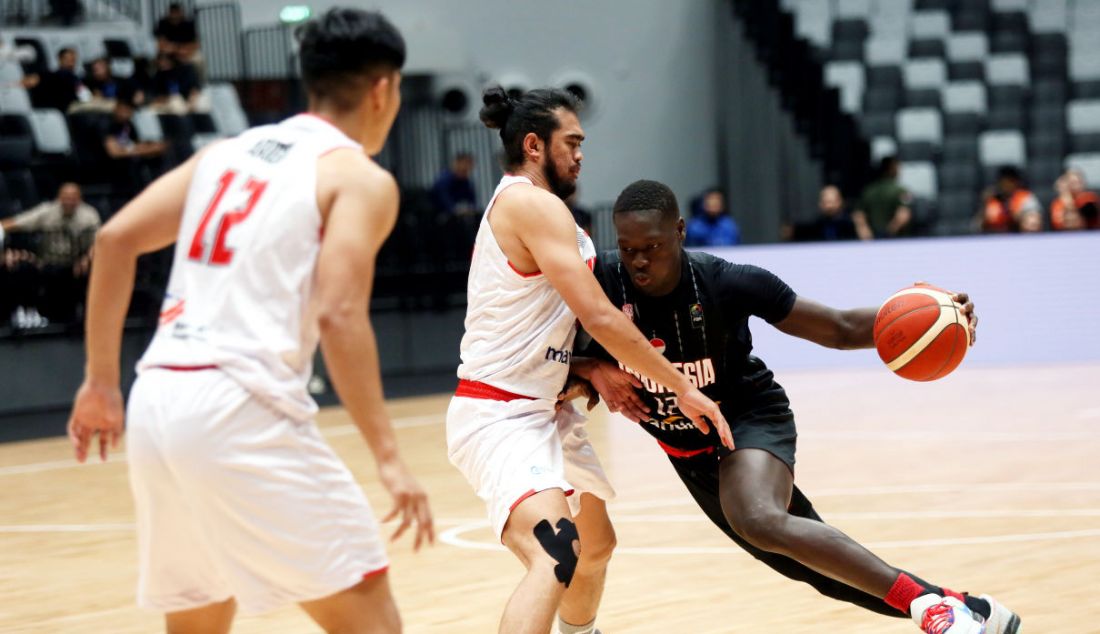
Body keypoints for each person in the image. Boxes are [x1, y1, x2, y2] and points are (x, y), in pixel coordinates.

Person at [65, 9, 433, 633]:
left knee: (199, 617)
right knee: (370, 618)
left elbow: (114, 238)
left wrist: (101, 382)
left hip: (158, 396)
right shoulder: (357, 178)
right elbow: (340, 314)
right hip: (240, 404)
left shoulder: (225, 153)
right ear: (383, 89)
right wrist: (390, 457)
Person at [562, 179, 1022, 634]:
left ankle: (927, 607)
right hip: (688, 451)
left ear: (680, 231)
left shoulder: (726, 281)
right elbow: (550, 359)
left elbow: (839, 328)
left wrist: (936, 314)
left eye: (653, 246)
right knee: (815, 568)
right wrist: (591, 368)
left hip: (747, 415)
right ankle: (969, 610)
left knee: (758, 518)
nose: (639, 261)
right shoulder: (601, 284)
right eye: (627, 248)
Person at [447, 87, 732, 634]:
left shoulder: (548, 212)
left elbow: (544, 326)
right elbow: (599, 317)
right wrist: (681, 386)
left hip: (546, 406)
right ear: (534, 145)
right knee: (556, 552)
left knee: (596, 547)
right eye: (572, 142)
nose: (581, 154)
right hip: (500, 413)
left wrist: (586, 368)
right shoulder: (528, 203)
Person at [0, 182, 100, 325]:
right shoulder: (47, 212)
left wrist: (87, 257)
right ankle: (28, 313)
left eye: (73, 198)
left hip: (75, 263)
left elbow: (100, 243)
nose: (69, 201)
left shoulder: (90, 216)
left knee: (92, 269)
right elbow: (19, 222)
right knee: (23, 268)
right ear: (58, 198)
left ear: (80, 199)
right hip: (46, 262)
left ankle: (86, 319)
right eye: (65, 197)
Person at [102, 100, 167, 193]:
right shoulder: (105, 124)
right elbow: (114, 153)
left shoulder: (128, 124)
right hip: (111, 168)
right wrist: (146, 150)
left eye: (129, 111)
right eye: (124, 110)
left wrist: (150, 147)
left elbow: (136, 144)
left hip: (131, 165)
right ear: (116, 108)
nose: (126, 114)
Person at [853, 156, 912, 238]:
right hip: (896, 240)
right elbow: (903, 215)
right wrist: (889, 232)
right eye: (898, 167)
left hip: (872, 240)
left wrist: (865, 232)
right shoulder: (901, 191)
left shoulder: (868, 190)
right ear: (892, 168)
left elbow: (858, 215)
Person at [789, 185, 868, 242]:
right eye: (826, 202)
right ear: (820, 204)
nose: (829, 206)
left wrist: (861, 225)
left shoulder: (851, 223)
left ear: (841, 202)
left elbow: (867, 242)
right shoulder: (815, 226)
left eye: (832, 202)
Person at [978, 166, 1042, 233]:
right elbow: (978, 227)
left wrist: (1016, 215)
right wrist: (983, 206)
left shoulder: (1025, 198)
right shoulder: (992, 200)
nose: (1006, 185)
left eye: (1009, 181)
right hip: (994, 239)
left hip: (1019, 238)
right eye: (1003, 181)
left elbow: (1034, 225)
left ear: (1016, 182)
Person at [32, 47, 87, 112]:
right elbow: (85, 97)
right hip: (65, 109)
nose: (71, 63)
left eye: (73, 60)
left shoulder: (74, 77)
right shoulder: (51, 75)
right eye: (68, 59)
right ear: (60, 59)